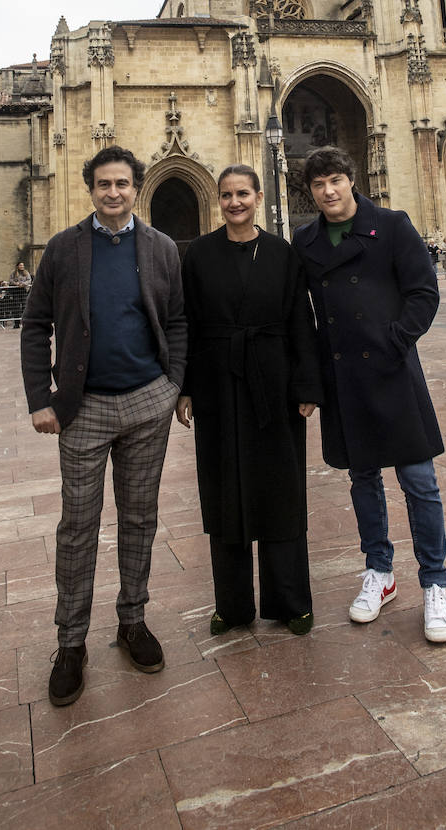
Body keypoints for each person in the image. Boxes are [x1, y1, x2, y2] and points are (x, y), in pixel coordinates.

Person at [20, 146, 186, 706]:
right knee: (77, 526)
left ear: (136, 187)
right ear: (90, 189)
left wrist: (173, 387)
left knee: (140, 517)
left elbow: (178, 321)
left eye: (121, 183)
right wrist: (40, 397)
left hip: (147, 405)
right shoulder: (65, 249)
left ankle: (132, 620)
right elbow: (34, 322)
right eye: (102, 184)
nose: (112, 192)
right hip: (83, 408)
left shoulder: (161, 248)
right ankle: (71, 643)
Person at [292, 146, 446, 645]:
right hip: (344, 377)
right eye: (319, 184)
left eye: (336, 180)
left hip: (391, 369)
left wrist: (395, 340)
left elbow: (424, 292)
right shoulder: (306, 241)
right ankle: (379, 572)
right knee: (363, 479)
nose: (329, 191)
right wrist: (311, 381)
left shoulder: (392, 225)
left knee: (419, 481)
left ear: (351, 180)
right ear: (312, 191)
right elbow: (304, 317)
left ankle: (435, 584)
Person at [177, 165, 323, 636]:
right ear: (218, 201)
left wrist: (306, 386)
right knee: (224, 491)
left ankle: (290, 601)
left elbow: (301, 319)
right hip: (218, 383)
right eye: (226, 195)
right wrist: (186, 388)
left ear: (259, 197)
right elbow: (190, 327)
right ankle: (233, 605)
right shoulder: (198, 254)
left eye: (242, 193)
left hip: (275, 382)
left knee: (280, 487)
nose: (234, 202)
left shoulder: (282, 252)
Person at [9, 260, 32, 328]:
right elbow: (10, 280)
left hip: (23, 290)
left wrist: (23, 284)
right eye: (20, 265)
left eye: (23, 265)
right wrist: (16, 283)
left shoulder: (26, 272)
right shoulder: (14, 273)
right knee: (16, 306)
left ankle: (25, 322)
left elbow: (29, 280)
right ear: (17, 266)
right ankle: (16, 323)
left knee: (24, 306)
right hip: (16, 291)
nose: (22, 266)